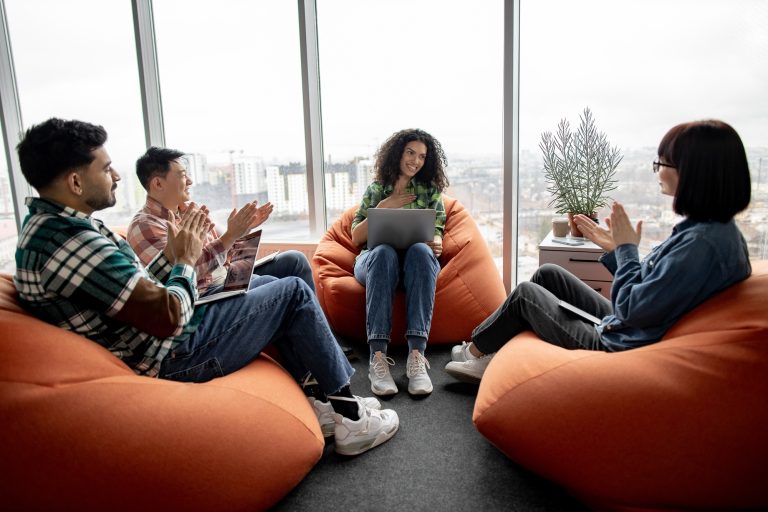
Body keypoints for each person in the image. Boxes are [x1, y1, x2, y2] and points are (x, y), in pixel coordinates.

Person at [13, 118, 398, 456]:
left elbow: (145, 288)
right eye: (107, 167)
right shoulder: (72, 243)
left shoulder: (62, 229)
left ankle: (327, 397)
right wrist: (183, 260)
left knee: (287, 277)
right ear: (76, 181)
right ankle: (351, 418)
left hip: (163, 334)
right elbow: (168, 317)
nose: (115, 176)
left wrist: (191, 252)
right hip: (169, 355)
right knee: (292, 292)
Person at [445, 119, 752, 383]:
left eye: (662, 163)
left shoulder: (702, 245)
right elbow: (654, 291)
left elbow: (631, 307)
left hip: (619, 344)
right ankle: (486, 344)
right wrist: (617, 250)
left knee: (526, 294)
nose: (657, 171)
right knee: (549, 275)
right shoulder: (708, 232)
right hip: (629, 328)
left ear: (692, 173)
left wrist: (627, 249)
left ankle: (477, 352)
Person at [127, 146, 356, 360]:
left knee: (294, 259)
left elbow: (223, 253)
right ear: (158, 183)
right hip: (205, 294)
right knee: (280, 285)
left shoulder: (189, 211)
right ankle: (313, 356)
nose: (190, 181)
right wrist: (229, 236)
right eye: (182, 174)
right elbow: (186, 272)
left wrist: (242, 230)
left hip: (225, 276)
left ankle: (326, 341)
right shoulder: (146, 226)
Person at [351, 128, 449, 396]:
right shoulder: (376, 189)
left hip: (414, 265)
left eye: (421, 156)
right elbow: (355, 237)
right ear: (397, 153)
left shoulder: (429, 191)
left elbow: (436, 231)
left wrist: (437, 242)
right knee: (383, 252)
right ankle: (377, 358)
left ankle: (416, 358)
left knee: (420, 250)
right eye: (410, 152)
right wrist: (384, 207)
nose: (415, 161)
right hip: (375, 261)